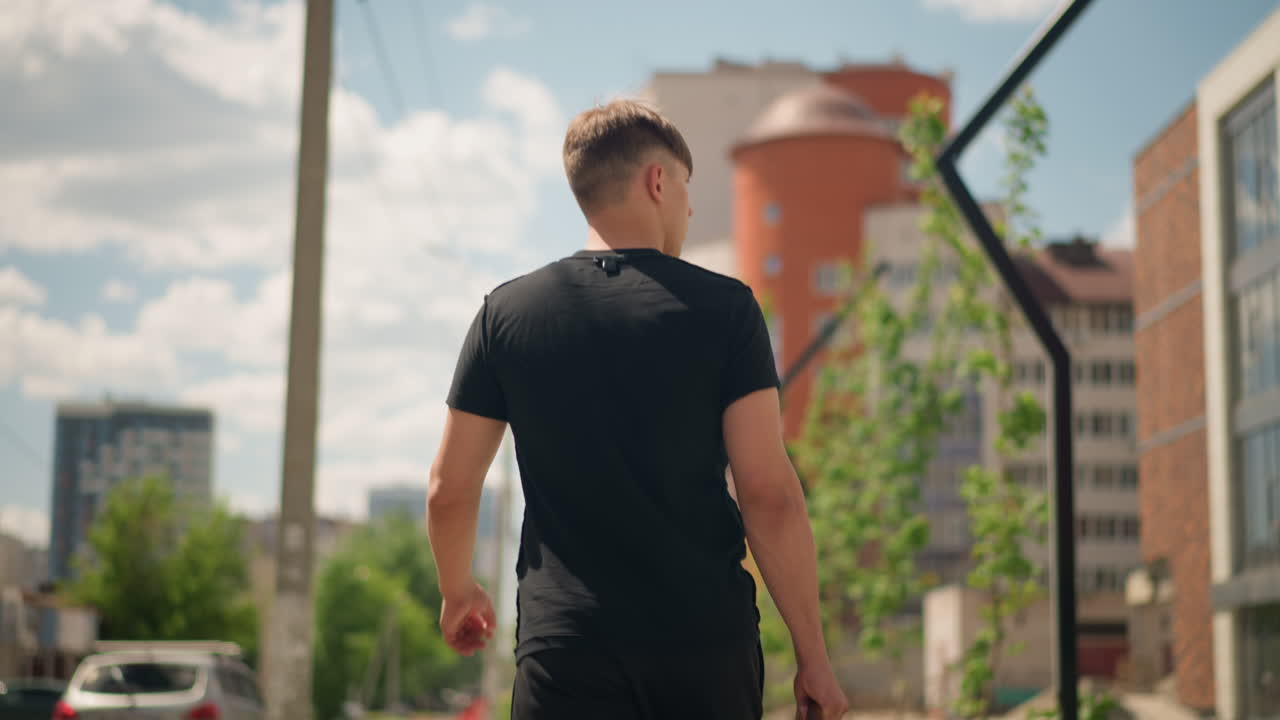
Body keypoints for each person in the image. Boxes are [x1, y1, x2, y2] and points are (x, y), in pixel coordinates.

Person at [427, 99, 849, 720]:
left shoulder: (506, 315)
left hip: (567, 651)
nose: (690, 205)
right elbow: (769, 493)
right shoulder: (727, 311)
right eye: (686, 185)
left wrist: (457, 592)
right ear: (658, 181)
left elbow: (448, 490)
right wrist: (813, 656)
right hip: (704, 651)